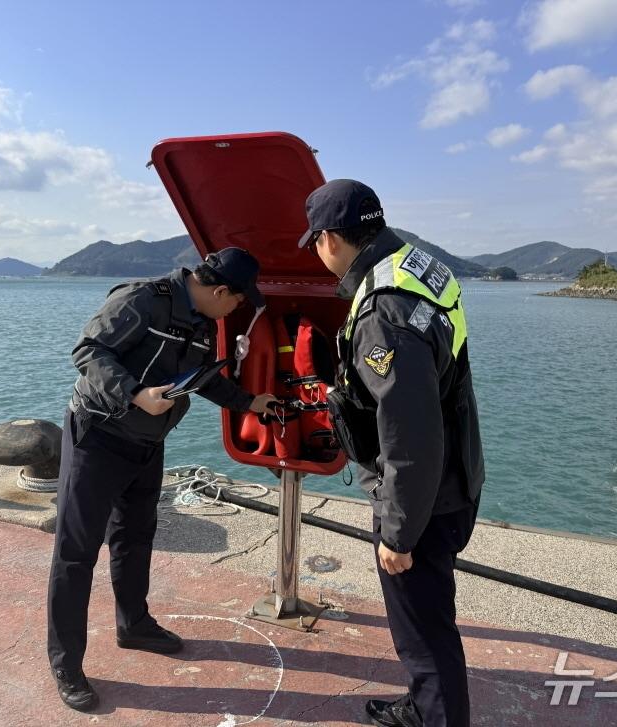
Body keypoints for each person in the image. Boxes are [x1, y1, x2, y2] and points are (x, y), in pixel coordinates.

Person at [47, 247, 279, 712]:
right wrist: (134, 394)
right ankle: (66, 664)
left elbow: (203, 379)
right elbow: (88, 351)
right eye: (237, 302)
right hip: (99, 434)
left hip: (147, 442)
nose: (236, 310)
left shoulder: (200, 320)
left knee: (135, 536)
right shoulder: (141, 300)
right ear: (219, 291)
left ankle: (133, 624)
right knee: (76, 551)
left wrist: (249, 403)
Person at [298, 180, 485, 727]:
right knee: (429, 620)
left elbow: (410, 434)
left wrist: (399, 534)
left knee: (424, 634)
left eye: (315, 241)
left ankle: (437, 716)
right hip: (455, 473)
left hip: (423, 498)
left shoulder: (382, 311)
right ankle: (423, 705)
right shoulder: (419, 266)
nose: (315, 251)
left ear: (331, 238)